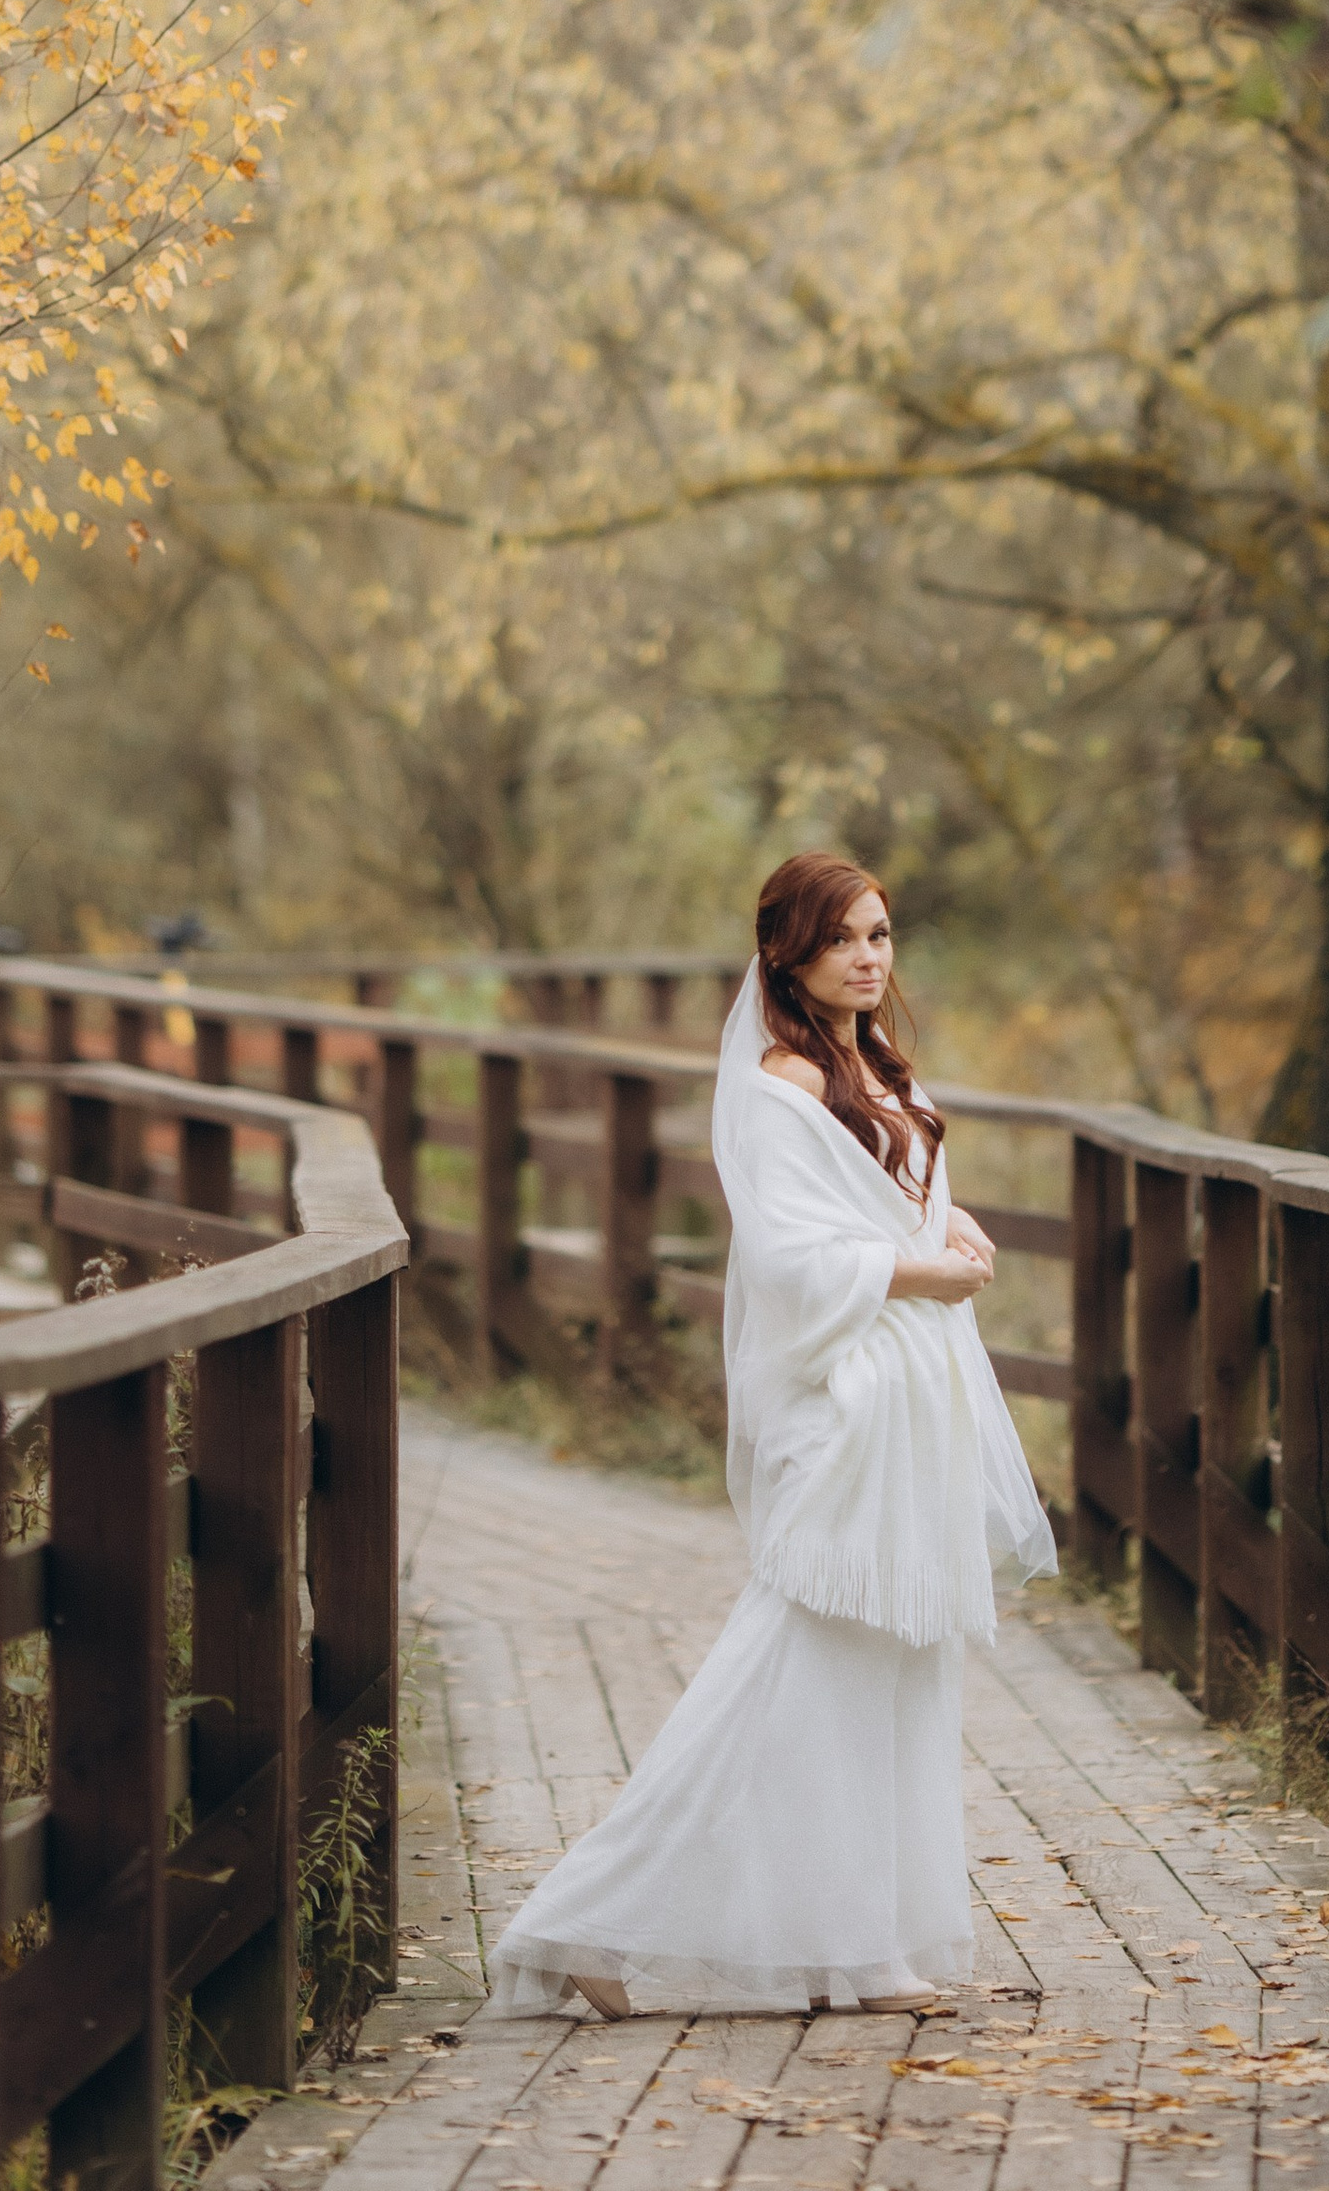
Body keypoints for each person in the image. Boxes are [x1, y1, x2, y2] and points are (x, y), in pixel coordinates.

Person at [486, 851, 1056, 2020]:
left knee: (893, 1674)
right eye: (842, 938)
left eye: (880, 936)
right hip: (844, 1403)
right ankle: (581, 1921)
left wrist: (961, 1233)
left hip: (914, 1395)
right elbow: (793, 1255)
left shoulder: (869, 1064)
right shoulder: (774, 1084)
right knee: (796, 1671)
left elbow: (893, 1196)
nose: (867, 957)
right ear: (786, 950)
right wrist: (921, 1273)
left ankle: (860, 1941)